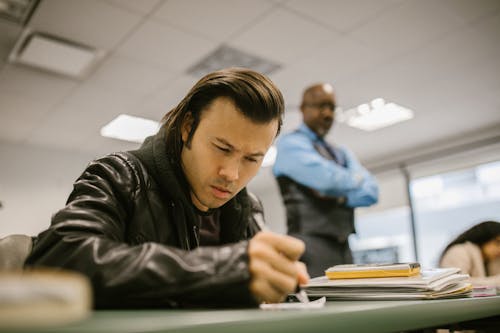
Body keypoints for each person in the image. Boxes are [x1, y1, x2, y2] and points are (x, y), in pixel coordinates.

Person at [25, 68, 309, 308]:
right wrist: (223, 269)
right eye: (222, 148)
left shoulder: (248, 207)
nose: (232, 175)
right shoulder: (119, 175)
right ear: (187, 127)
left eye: (251, 159)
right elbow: (59, 258)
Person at [272, 83, 379, 277]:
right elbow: (329, 181)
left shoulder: (341, 152)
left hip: (344, 247)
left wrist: (342, 197)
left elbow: (372, 192)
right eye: (321, 106)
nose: (328, 114)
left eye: (332, 108)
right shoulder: (290, 145)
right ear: (304, 109)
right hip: (308, 247)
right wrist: (357, 178)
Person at [439, 221, 500, 287]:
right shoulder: (458, 252)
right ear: (483, 238)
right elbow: (454, 284)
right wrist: (495, 281)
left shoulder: (494, 259)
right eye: (497, 242)